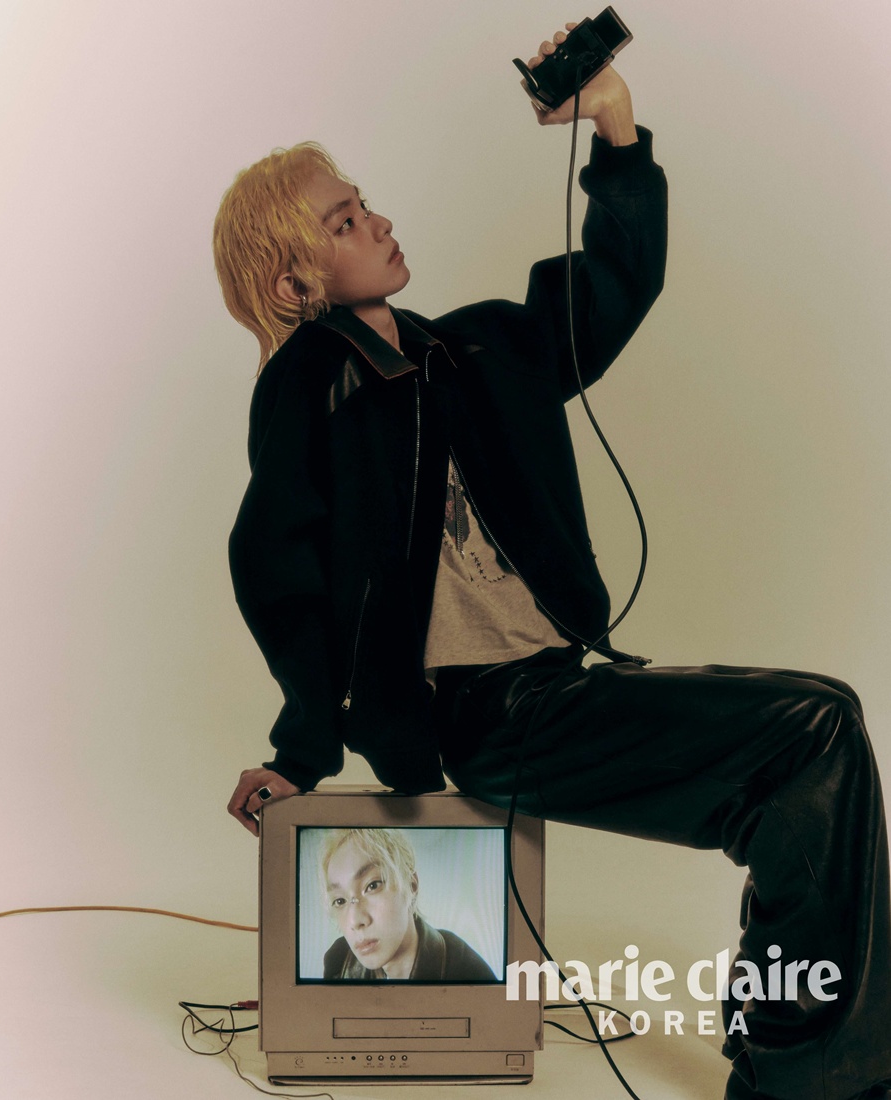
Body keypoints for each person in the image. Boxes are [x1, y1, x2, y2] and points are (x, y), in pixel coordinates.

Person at [214, 23, 891, 1100]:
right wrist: (303, 747)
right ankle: (811, 1080)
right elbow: (275, 566)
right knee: (813, 730)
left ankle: (795, 1065)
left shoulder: (473, 351)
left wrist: (613, 123)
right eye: (344, 221)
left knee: (806, 758)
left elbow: (612, 284)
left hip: (554, 687)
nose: (378, 220)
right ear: (297, 282)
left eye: (364, 202)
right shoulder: (312, 385)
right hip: (485, 718)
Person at [318, 827, 495, 981]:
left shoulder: (468, 972)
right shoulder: (338, 961)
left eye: (372, 885)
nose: (356, 921)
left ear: (411, 885)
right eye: (340, 901)